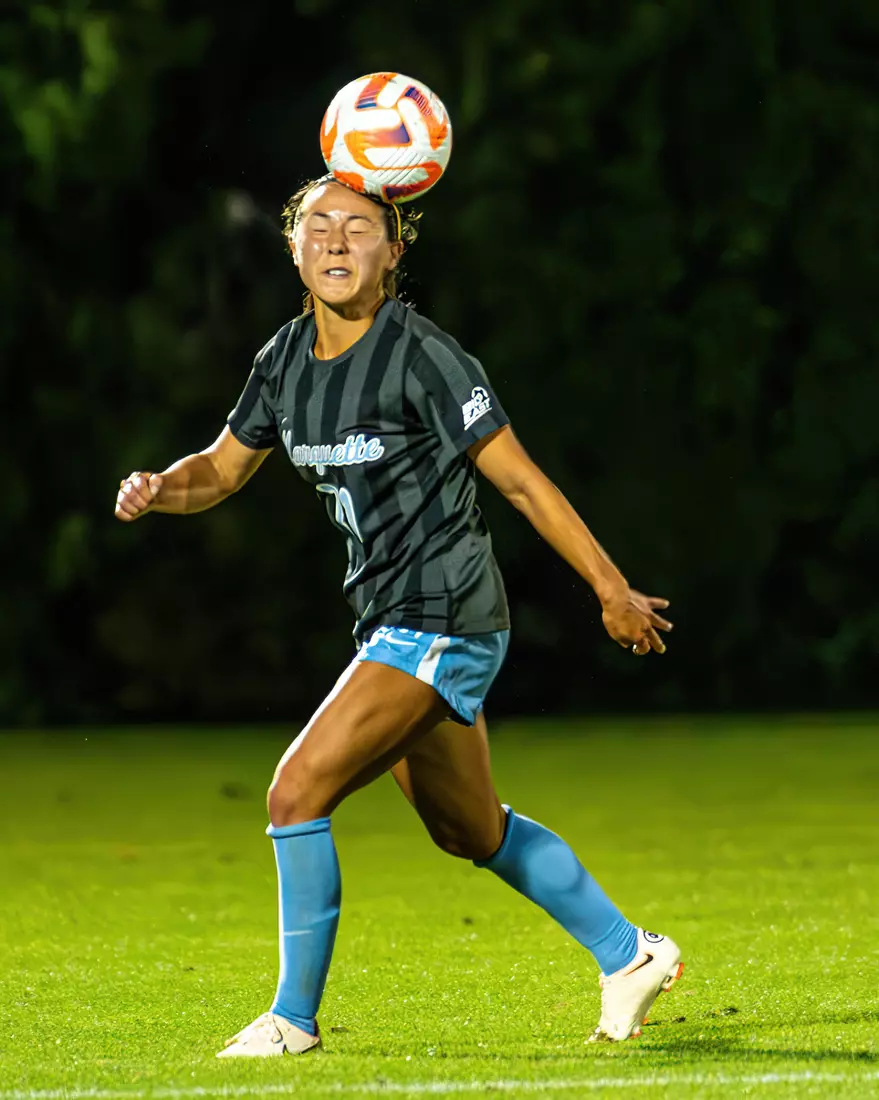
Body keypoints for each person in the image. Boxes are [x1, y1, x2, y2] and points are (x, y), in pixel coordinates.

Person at [114, 173, 682, 1056]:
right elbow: (220, 470)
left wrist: (608, 587)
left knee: (295, 791)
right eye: (318, 227)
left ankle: (291, 1021)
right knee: (470, 830)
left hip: (445, 613)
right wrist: (159, 488)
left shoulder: (423, 357)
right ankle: (629, 954)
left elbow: (521, 482)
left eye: (358, 227)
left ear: (393, 251)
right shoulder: (282, 360)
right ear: (293, 248)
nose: (337, 242)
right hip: (388, 619)